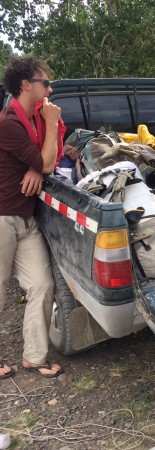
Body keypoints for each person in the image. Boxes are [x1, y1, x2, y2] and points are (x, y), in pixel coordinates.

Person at [0, 56, 66, 379]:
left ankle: (34, 357)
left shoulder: (31, 122)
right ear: (26, 85)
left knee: (42, 284)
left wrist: (34, 167)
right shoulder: (9, 123)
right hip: (2, 218)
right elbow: (48, 162)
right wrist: (52, 125)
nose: (49, 89)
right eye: (44, 83)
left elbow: (42, 161)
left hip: (26, 219)